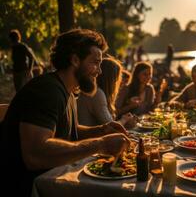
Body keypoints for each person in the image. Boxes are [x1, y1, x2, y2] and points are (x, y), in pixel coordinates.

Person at [1, 29, 130, 196]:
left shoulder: (68, 90)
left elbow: (69, 131)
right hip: (25, 188)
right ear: (75, 60)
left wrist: (102, 129)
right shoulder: (47, 90)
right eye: (95, 62)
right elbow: (35, 154)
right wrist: (101, 144)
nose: (100, 71)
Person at [77, 57, 137, 127]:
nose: (118, 82)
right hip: (89, 137)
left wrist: (125, 119)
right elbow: (111, 126)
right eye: (117, 78)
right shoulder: (97, 94)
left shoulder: (97, 92)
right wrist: (124, 120)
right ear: (111, 79)